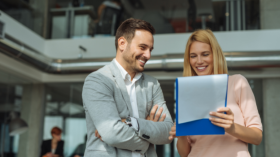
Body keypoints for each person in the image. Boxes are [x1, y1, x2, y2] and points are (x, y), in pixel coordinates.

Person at [82, 18, 173, 157]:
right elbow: (112, 133)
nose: (148, 55)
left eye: (150, 49)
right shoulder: (98, 80)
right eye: (142, 47)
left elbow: (168, 131)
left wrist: (134, 123)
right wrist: (148, 137)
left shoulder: (152, 84)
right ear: (122, 43)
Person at [168, 29, 263, 157]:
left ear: (215, 55)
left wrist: (232, 128)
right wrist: (181, 134)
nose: (199, 61)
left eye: (205, 54)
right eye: (193, 56)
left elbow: (257, 137)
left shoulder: (237, 83)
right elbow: (184, 153)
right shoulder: (188, 93)